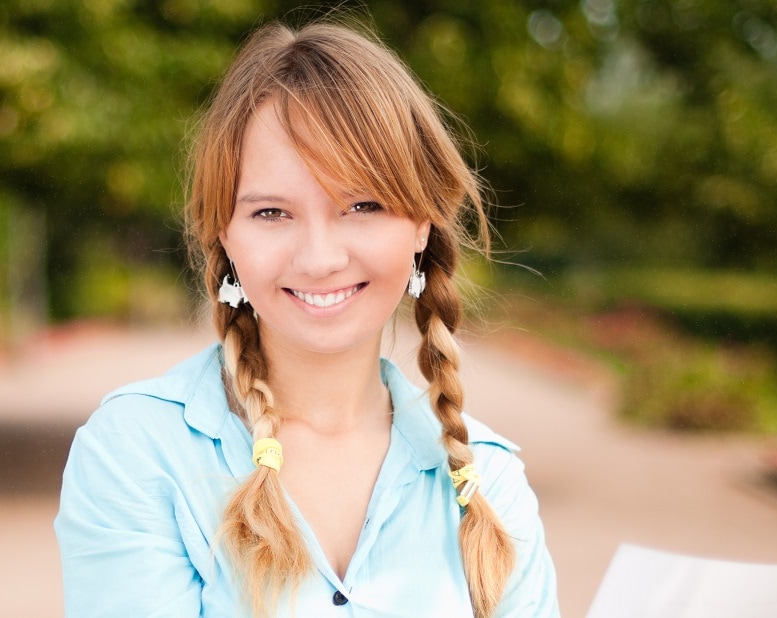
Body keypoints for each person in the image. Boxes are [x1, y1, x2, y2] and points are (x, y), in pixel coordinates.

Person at [55, 17, 559, 618]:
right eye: (272, 213)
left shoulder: (491, 481)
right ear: (226, 233)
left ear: (422, 223)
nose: (320, 259)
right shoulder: (135, 453)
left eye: (363, 205)